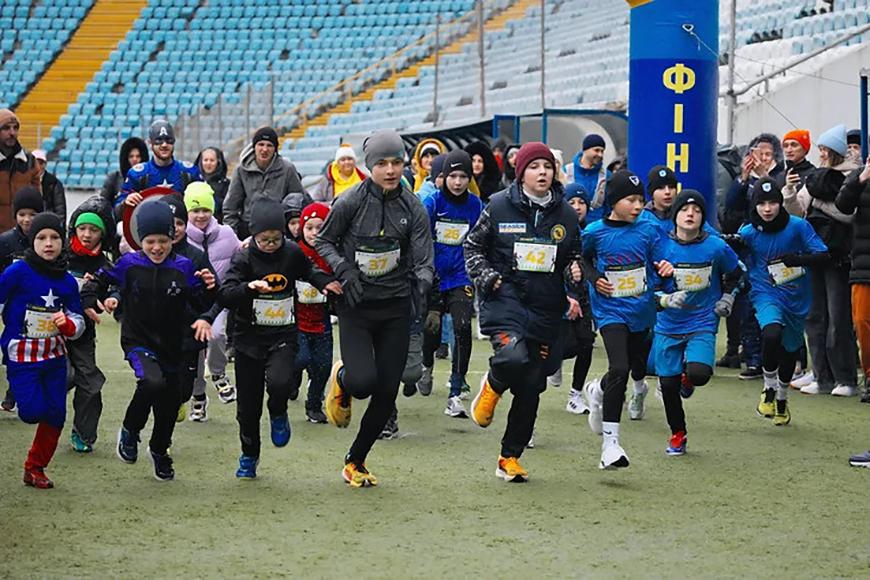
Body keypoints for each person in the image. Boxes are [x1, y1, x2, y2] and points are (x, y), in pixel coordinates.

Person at [318, 130, 434, 488]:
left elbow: (423, 255)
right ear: (369, 167)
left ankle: (356, 460)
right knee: (363, 383)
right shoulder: (350, 200)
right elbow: (324, 240)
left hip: (396, 306)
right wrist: (344, 269)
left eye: (396, 162)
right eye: (382, 163)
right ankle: (342, 379)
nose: (390, 170)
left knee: (387, 392)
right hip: (357, 304)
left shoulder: (412, 205)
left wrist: (423, 283)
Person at [464, 142, 583, 482]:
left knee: (532, 384)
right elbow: (473, 246)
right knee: (513, 358)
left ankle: (509, 458)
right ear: (521, 173)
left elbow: (574, 256)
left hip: (546, 306)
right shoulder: (499, 205)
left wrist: (574, 280)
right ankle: (493, 383)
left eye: (547, 166)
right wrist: (488, 278)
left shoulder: (566, 215)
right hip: (506, 300)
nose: (542, 172)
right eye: (534, 167)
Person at [81, 201, 216, 482]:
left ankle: (159, 450)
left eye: (163, 241)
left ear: (173, 239)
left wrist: (208, 288)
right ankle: (130, 430)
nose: (157, 248)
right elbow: (99, 281)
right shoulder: (128, 264)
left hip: (173, 345)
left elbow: (202, 300)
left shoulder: (184, 267)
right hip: (138, 341)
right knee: (151, 382)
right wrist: (93, 299)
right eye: (150, 241)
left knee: (169, 404)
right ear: (140, 240)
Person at [219, 199, 339, 479]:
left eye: (276, 239)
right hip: (248, 339)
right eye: (264, 240)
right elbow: (226, 293)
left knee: (281, 381)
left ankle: (278, 411)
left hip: (283, 335)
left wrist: (326, 282)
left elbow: (308, 272)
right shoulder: (244, 258)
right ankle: (249, 455)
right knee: (248, 408)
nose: (271, 244)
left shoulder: (292, 253)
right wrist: (248, 288)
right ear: (253, 236)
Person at [580, 170, 674, 470]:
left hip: (642, 310)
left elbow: (660, 260)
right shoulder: (594, 232)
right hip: (610, 311)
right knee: (619, 366)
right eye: (631, 200)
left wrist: (665, 269)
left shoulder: (648, 230)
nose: (637, 206)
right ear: (613, 202)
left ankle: (597, 389)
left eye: (640, 200)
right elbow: (581, 259)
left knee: (632, 367)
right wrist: (594, 278)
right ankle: (610, 444)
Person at [650, 191, 742, 455]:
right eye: (685, 210)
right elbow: (647, 289)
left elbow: (737, 275)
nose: (690, 214)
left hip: (702, 321)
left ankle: (687, 378)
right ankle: (678, 434)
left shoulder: (715, 246)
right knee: (667, 386)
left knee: (699, 374)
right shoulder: (659, 247)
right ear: (675, 215)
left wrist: (727, 297)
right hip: (667, 324)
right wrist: (665, 299)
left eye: (697, 210)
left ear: (703, 217)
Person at [731, 177, 828, 425]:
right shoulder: (749, 231)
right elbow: (735, 260)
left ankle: (782, 398)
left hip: (797, 297)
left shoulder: (797, 227)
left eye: (772, 202)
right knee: (771, 333)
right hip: (765, 292)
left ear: (780, 203)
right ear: (755, 206)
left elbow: (823, 254)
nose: (767, 209)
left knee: (789, 351)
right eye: (761, 203)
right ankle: (769, 387)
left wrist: (798, 259)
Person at [0, 212, 85, 488]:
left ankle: (35, 468)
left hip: (54, 356)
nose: (48, 243)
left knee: (56, 415)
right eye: (41, 238)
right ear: (31, 241)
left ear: (63, 241)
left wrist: (68, 325)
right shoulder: (17, 272)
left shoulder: (68, 281)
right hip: (22, 355)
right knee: (33, 411)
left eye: (55, 238)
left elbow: (79, 320)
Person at [783, 124, 858, 396]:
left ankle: (845, 378)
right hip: (815, 255)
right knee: (815, 317)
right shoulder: (815, 179)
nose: (822, 154)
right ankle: (822, 376)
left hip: (839, 256)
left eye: (826, 150)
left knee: (838, 318)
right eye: (821, 150)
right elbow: (798, 211)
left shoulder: (853, 175)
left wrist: (820, 204)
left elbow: (848, 213)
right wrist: (789, 193)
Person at [420, 150, 482, 418]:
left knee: (462, 328)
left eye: (463, 176)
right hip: (433, 277)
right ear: (442, 178)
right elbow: (420, 241)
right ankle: (426, 365)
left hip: (461, 277)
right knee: (431, 331)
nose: (457, 182)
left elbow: (482, 240)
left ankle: (455, 392)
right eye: (452, 176)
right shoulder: (432, 204)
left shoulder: (477, 206)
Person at [724, 133, 784, 381]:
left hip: (777, 250)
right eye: (757, 153)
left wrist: (765, 178)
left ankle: (787, 360)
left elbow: (783, 201)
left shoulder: (782, 175)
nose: (761, 158)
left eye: (767, 154)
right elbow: (730, 208)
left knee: (780, 304)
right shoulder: (745, 181)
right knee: (748, 304)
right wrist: (744, 178)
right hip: (750, 249)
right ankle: (753, 360)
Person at [162, 194, 218, 423]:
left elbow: (215, 295)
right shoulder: (148, 255)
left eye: (179, 223)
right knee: (157, 383)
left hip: (188, 335)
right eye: (169, 223)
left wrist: (210, 287)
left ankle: (177, 402)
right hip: (156, 335)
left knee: (184, 388)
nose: (174, 229)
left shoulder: (196, 256)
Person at [184, 182, 241, 409]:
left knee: (216, 334)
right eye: (195, 210)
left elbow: (240, 253)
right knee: (195, 349)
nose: (201, 215)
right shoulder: (181, 238)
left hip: (218, 299)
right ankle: (198, 395)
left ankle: (218, 373)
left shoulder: (226, 234)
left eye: (205, 210)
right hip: (190, 303)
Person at [66, 197, 116, 452]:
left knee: (91, 383)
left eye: (94, 230)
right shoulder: (57, 253)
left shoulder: (104, 266)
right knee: (63, 376)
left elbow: (113, 290)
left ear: (103, 234)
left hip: (84, 333)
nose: (86, 235)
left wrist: (107, 298)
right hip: (50, 332)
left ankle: (83, 434)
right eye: (82, 228)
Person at [0, 187, 44, 413]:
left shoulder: (47, 240)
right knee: (11, 351)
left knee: (36, 350)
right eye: (22, 214)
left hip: (41, 308)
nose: (27, 219)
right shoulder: (5, 241)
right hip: (13, 309)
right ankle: (13, 389)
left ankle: (19, 391)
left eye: (33, 214)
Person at [293, 202, 337, 424]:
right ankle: (292, 382)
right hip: (296, 319)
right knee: (299, 358)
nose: (314, 233)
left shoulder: (332, 253)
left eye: (320, 228)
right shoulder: (293, 251)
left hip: (322, 320)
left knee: (322, 366)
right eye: (309, 228)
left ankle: (313, 404)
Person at [554, 183, 596, 416]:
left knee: (586, 342)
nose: (578, 207)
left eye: (582, 203)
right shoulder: (558, 229)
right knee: (563, 346)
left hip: (585, 297)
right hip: (558, 295)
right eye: (573, 203)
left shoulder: (593, 231)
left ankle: (575, 395)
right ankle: (555, 363)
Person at [223, 127, 310, 240]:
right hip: (248, 228)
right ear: (254, 146)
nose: (264, 149)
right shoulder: (241, 170)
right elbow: (231, 206)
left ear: (275, 149)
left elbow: (299, 199)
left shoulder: (287, 169)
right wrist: (232, 236)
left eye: (269, 145)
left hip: (280, 229)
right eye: (261, 144)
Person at [835, 152, 870, 403]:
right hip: (863, 265)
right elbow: (843, 204)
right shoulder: (859, 176)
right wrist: (862, 178)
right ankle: (869, 376)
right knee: (862, 323)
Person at [118, 120, 202, 210]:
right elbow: (117, 206)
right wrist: (126, 201)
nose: (164, 145)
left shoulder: (189, 172)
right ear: (150, 143)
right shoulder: (137, 174)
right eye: (159, 141)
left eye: (168, 140)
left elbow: (207, 203)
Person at [0, 109, 40, 232]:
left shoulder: (29, 161)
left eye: (15, 128)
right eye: (6, 128)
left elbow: (37, 202)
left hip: (21, 234)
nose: (12, 133)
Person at [100, 137, 149, 221]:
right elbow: (103, 207)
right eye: (131, 156)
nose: (135, 159)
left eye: (138, 156)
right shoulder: (114, 179)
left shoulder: (149, 179)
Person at [566, 134, 610, 223]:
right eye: (596, 150)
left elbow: (609, 207)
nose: (600, 155)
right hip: (569, 225)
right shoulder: (567, 171)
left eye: (602, 151)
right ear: (585, 150)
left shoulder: (607, 176)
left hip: (597, 230)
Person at [194, 147, 231, 222]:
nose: (208, 163)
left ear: (218, 162)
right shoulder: (193, 182)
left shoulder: (226, 184)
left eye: (212, 160)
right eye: (205, 160)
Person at [32, 149, 66, 223]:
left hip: (48, 222)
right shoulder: (24, 181)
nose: (38, 166)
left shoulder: (54, 182)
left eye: (41, 163)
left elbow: (60, 209)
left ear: (45, 164)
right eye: (35, 163)